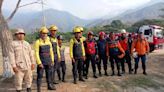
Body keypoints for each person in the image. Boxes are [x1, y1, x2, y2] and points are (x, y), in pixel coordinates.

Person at [34, 27, 56, 91]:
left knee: (48, 74)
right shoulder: (37, 42)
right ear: (40, 34)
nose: (44, 35)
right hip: (41, 62)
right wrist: (39, 63)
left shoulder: (48, 42)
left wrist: (52, 60)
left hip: (48, 61)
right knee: (40, 75)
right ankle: (38, 89)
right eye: (43, 33)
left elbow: (51, 52)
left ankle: (49, 86)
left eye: (46, 33)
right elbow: (36, 53)